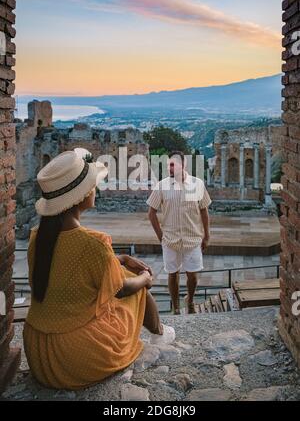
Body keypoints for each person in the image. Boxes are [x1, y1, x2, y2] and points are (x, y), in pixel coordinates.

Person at [23, 150, 175, 390]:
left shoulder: (37, 237)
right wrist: (145, 278)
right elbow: (122, 290)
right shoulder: (93, 243)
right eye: (91, 185)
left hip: (38, 352)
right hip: (76, 355)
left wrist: (121, 258)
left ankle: (160, 331)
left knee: (118, 272)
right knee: (133, 286)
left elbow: (69, 261)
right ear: (79, 196)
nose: (96, 189)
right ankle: (159, 333)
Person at [147, 151, 212, 315]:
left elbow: (204, 211)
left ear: (184, 165)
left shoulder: (197, 184)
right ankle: (175, 307)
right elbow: (151, 213)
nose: (170, 167)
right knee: (172, 274)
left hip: (192, 238)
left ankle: (189, 300)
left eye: (173, 164)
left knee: (193, 276)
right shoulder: (162, 186)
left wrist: (207, 235)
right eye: (169, 164)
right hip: (170, 239)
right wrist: (160, 236)